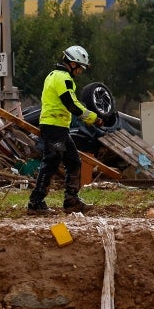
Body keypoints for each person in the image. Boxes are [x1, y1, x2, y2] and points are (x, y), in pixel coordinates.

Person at [27, 45, 102, 214]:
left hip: (58, 127)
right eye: (80, 67)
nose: (80, 71)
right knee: (51, 161)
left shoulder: (53, 76)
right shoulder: (63, 78)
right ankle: (35, 202)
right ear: (73, 63)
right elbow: (71, 105)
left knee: (74, 161)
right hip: (54, 127)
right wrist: (93, 118)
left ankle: (71, 201)